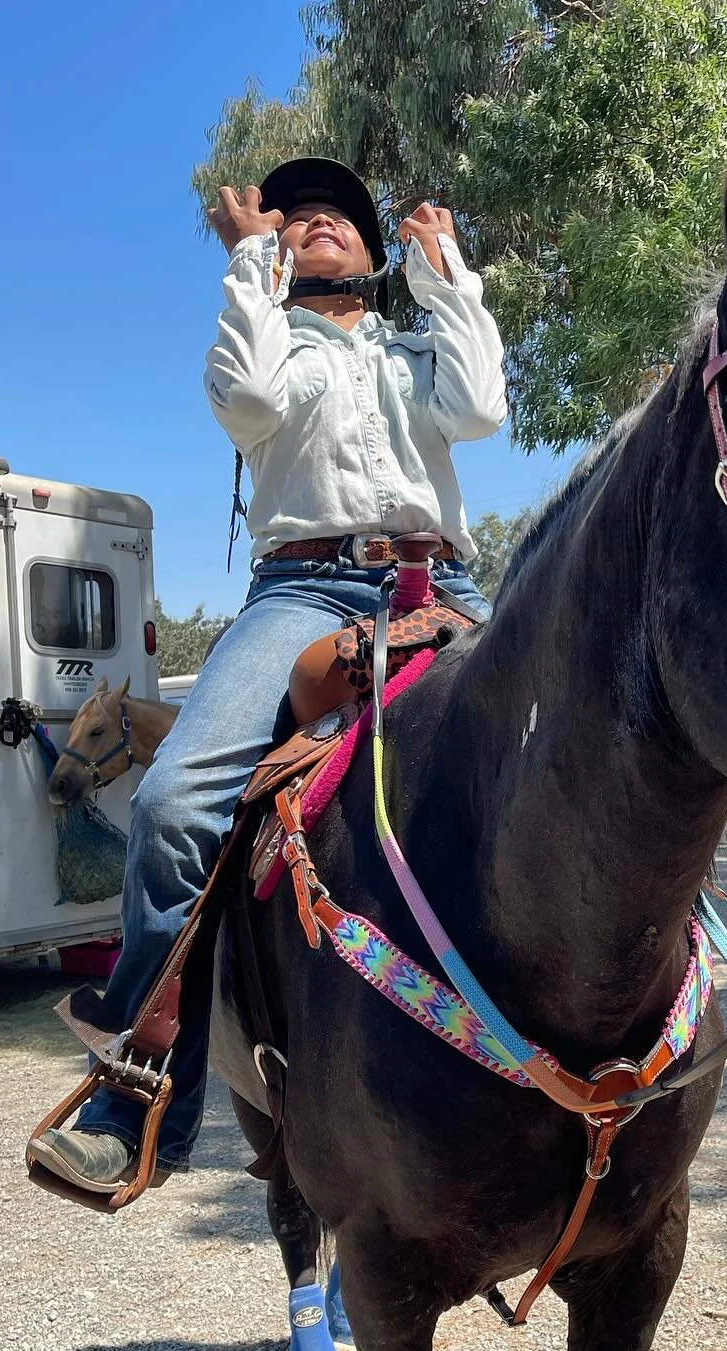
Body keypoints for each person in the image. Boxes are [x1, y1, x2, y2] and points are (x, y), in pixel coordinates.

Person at [28, 157, 507, 1198]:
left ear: (378, 256)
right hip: (306, 590)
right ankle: (137, 1091)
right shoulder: (265, 339)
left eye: (343, 213)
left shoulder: (419, 343)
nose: (320, 217)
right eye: (299, 214)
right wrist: (252, 262)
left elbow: (479, 413)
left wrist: (447, 271)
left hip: (442, 581)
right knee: (171, 803)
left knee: (579, 741)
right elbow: (247, 404)